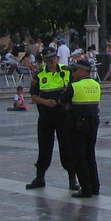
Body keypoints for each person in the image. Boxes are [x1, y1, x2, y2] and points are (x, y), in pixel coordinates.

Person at [26, 48, 76, 191]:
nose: (51, 62)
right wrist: (45, 102)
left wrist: (68, 104)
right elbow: (33, 96)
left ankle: (72, 178)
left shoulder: (66, 71)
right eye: (48, 60)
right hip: (46, 115)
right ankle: (40, 177)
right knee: (44, 147)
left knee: (67, 146)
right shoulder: (40, 74)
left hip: (63, 115)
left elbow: (74, 89)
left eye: (53, 59)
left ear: (57, 59)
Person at [59, 58, 101, 198]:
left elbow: (62, 100)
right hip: (93, 123)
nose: (72, 73)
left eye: (74, 70)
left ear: (82, 71)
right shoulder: (96, 84)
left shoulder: (75, 86)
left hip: (78, 124)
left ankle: (86, 188)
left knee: (79, 156)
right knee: (90, 154)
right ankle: (95, 186)